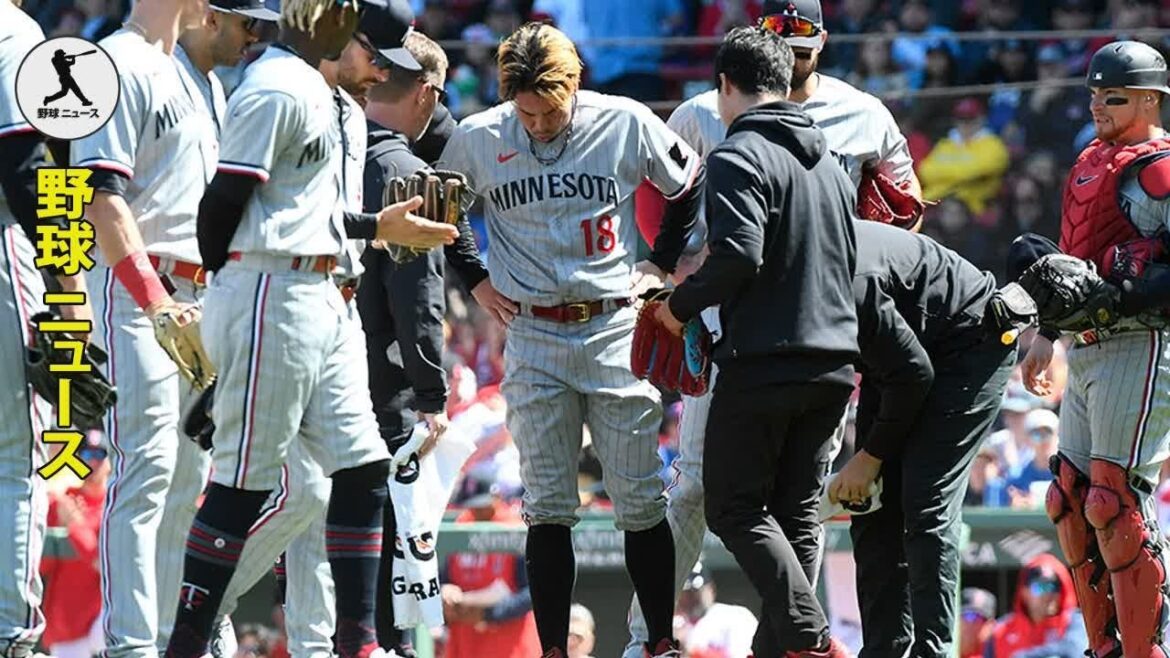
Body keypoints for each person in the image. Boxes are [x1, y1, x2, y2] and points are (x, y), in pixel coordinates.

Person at [161, 0, 457, 654]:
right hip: (273, 287)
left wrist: (377, 228)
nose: (382, 73)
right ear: (335, 32)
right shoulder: (273, 86)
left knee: (361, 467)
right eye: (374, 55)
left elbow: (314, 212)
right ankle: (183, 639)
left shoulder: (337, 103)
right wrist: (230, 317)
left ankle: (358, 642)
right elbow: (222, 209)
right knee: (246, 483)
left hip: (324, 293)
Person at [627, 0, 924, 652]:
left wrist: (674, 307)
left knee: (785, 509)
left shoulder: (860, 116)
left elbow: (905, 213)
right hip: (745, 325)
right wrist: (666, 271)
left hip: (778, 337)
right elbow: (665, 205)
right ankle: (649, 638)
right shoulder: (701, 116)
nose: (791, 63)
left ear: (822, 45)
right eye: (780, 50)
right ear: (760, 48)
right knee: (700, 489)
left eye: (804, 51)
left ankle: (797, 641)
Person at [437, 20, 705, 658]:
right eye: (525, 111)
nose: (538, 123)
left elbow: (687, 182)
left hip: (613, 322)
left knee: (639, 497)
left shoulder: (623, 120)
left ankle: (660, 642)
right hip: (531, 331)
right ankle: (554, 650)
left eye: (549, 110)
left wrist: (661, 264)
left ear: (574, 87)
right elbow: (441, 214)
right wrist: (473, 277)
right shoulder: (479, 137)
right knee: (548, 502)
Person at [653, 26, 855, 658]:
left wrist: (676, 307)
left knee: (734, 509)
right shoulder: (829, 160)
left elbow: (738, 253)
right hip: (834, 363)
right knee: (795, 513)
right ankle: (786, 648)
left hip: (765, 357)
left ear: (724, 88)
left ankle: (813, 640)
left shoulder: (738, 153)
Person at [67, 0, 225, 652]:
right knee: (146, 471)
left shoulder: (198, 75)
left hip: (202, 296)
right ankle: (130, 645)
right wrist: (155, 299)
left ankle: (169, 640)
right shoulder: (112, 61)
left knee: (189, 480)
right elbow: (102, 199)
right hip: (140, 290)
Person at [1019, 39, 1170, 658]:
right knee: (1072, 499)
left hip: (1140, 340)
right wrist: (1046, 334)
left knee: (1113, 496)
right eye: (1094, 93)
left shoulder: (1159, 165)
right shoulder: (1090, 164)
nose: (1098, 105)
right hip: (1083, 345)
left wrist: (1126, 297)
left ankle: (1146, 649)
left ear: (1150, 100)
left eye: (1114, 96)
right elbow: (1070, 264)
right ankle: (1105, 648)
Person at [833, 220, 1015, 658]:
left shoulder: (846, 276)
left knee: (924, 500)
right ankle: (882, 649)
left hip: (972, 341)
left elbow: (914, 374)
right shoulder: (795, 272)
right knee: (872, 506)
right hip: (903, 351)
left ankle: (932, 651)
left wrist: (870, 455)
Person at [0, 3, 94, 657]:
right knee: (14, 459)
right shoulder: (13, 31)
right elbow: (30, 173)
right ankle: (12, 635)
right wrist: (65, 288)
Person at [439, 482, 540, 658]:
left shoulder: (515, 530)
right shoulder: (461, 527)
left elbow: (533, 592)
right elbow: (444, 578)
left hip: (509, 644)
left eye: (482, 505)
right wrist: (445, 590)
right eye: (472, 506)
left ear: (497, 498)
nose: (477, 511)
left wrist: (488, 614)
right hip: (466, 642)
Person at [40, 438, 110, 658]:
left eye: (99, 456)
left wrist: (75, 526)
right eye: (86, 456)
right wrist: (60, 525)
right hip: (69, 623)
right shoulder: (62, 502)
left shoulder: (117, 505)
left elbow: (103, 565)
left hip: (105, 622)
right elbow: (42, 566)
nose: (92, 463)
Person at [986, 555, 1087, 658]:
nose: (1049, 594)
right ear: (1024, 592)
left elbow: (1073, 652)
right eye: (1041, 587)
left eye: (1054, 587)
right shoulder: (1000, 631)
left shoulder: (1077, 623)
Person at [673, 563, 757, 658]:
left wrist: (693, 651)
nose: (691, 598)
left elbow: (743, 655)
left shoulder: (736, 617)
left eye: (695, 592)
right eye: (686, 593)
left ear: (711, 589)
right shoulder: (674, 622)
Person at [957, 588, 997, 658]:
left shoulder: (1001, 653)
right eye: (966, 616)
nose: (970, 624)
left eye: (977, 617)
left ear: (991, 624)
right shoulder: (943, 651)